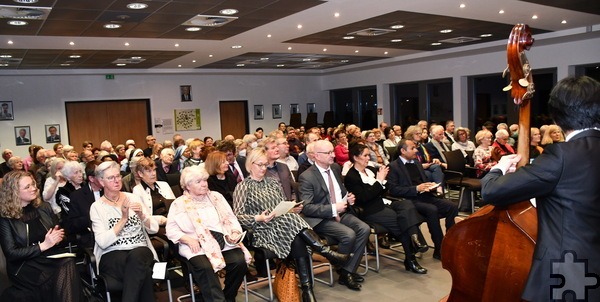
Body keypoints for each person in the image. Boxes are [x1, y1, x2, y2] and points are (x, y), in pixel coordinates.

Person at [481, 76, 600, 301]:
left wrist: (499, 167)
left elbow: (492, 192)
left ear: (557, 114)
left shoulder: (562, 155)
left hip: (568, 272)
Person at [233, 148, 349, 301]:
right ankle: (324, 253)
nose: (263, 168)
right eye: (259, 164)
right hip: (262, 229)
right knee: (294, 226)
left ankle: (308, 290)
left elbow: (282, 204)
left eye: (265, 165)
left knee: (296, 234)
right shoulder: (243, 187)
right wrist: (258, 218)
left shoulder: (273, 183)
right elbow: (238, 216)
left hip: (284, 224)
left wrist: (291, 208)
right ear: (250, 165)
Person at [167, 165, 250, 302]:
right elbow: (171, 230)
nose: (204, 184)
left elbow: (231, 218)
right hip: (196, 244)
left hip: (222, 241)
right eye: (198, 182)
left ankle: (228, 297)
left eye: (205, 180)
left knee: (239, 262)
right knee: (205, 267)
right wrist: (187, 239)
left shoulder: (217, 197)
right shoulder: (179, 203)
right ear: (187, 186)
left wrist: (234, 232)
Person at [344, 144, 429, 274]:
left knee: (407, 205)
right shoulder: (351, 176)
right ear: (355, 157)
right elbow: (364, 198)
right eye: (365, 155)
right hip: (369, 209)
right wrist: (379, 182)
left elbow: (385, 190)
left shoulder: (371, 170)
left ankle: (415, 239)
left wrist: (382, 182)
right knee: (402, 221)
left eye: (368, 155)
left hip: (383, 203)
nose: (368, 158)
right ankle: (411, 258)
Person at [299, 140, 370, 291]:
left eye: (332, 151)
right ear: (317, 156)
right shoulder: (307, 176)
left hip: (342, 212)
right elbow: (307, 207)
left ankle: (347, 271)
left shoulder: (336, 168)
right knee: (348, 234)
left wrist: (348, 198)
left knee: (364, 228)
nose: (333, 155)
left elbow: (339, 191)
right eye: (328, 153)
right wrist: (333, 208)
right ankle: (345, 271)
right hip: (322, 218)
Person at [0, 170, 81, 302]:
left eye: (33, 184)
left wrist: (58, 238)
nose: (34, 188)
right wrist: (43, 246)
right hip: (24, 265)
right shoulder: (5, 218)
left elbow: (61, 235)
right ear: (13, 192)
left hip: (50, 257)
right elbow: (11, 253)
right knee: (64, 268)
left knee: (67, 264)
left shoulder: (44, 207)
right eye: (27, 187)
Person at [89, 161, 158, 302]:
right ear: (101, 182)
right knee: (144, 271)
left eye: (118, 176)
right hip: (112, 254)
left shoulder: (133, 198)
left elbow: (154, 229)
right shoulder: (97, 207)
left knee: (138, 255)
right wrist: (124, 218)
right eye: (111, 178)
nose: (116, 180)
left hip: (140, 249)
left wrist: (142, 216)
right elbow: (102, 242)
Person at [387, 139, 458, 260]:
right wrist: (415, 189)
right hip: (410, 200)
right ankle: (439, 248)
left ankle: (450, 241)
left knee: (452, 206)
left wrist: (429, 186)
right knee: (432, 210)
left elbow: (422, 181)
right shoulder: (394, 166)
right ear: (403, 151)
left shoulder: (416, 163)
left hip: (425, 195)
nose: (416, 150)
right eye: (412, 148)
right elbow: (394, 190)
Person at [63, 162, 100, 249]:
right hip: (91, 237)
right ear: (91, 178)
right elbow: (72, 224)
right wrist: (93, 217)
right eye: (101, 175)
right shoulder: (77, 196)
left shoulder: (111, 191)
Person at [55, 161, 84, 227]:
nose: (80, 175)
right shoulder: (63, 192)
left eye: (80, 171)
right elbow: (71, 211)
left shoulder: (86, 186)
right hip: (74, 226)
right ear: (68, 177)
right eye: (76, 173)